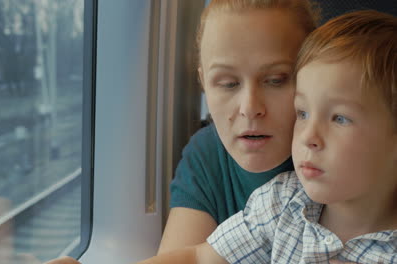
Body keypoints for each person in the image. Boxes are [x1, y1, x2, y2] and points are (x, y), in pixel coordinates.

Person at [44, 0, 319, 262]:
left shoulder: (343, 159)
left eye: (275, 80)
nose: (250, 108)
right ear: (203, 82)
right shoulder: (207, 155)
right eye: (227, 83)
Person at [137, 9, 397, 263]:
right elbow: (196, 257)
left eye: (275, 80)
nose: (249, 108)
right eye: (303, 113)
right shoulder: (282, 202)